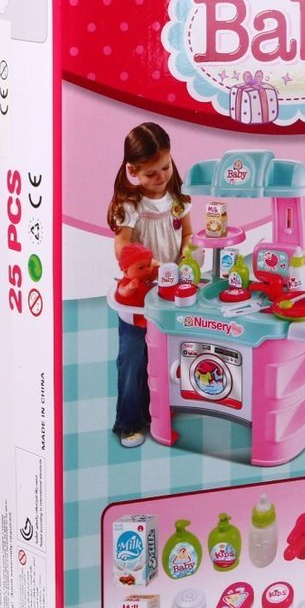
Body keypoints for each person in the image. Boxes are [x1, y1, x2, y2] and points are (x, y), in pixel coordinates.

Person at [106, 122, 193, 447]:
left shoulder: (179, 201)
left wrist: (187, 255)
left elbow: (188, 234)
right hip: (138, 295)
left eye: (165, 167)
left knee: (170, 356)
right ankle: (129, 421)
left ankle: (162, 413)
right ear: (133, 171)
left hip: (170, 291)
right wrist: (142, 262)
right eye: (151, 173)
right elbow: (122, 244)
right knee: (133, 357)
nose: (161, 177)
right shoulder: (131, 206)